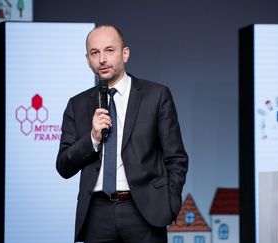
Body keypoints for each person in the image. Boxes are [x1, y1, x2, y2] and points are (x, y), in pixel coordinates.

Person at [56, 24, 188, 243]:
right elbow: (63, 166)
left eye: (109, 50)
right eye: (94, 53)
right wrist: (92, 139)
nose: (102, 59)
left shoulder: (156, 96)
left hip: (144, 210)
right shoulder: (77, 105)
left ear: (124, 54)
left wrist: (169, 202)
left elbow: (176, 158)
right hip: (96, 213)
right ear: (88, 59)